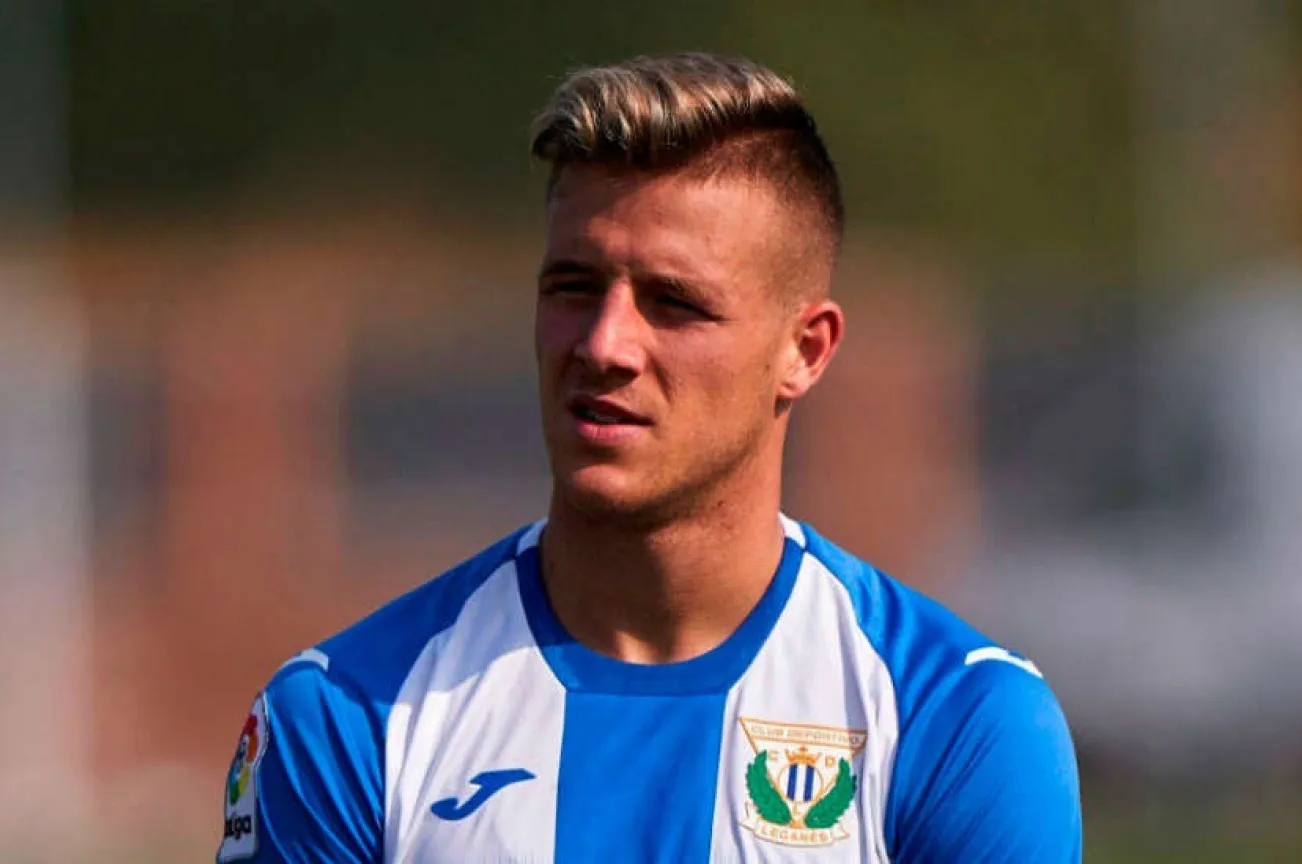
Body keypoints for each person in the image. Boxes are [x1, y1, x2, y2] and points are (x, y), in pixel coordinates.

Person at [216, 52, 1081, 863]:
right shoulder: (345, 716)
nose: (604, 344)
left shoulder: (954, 722)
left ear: (805, 351)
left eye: (674, 303)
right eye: (574, 287)